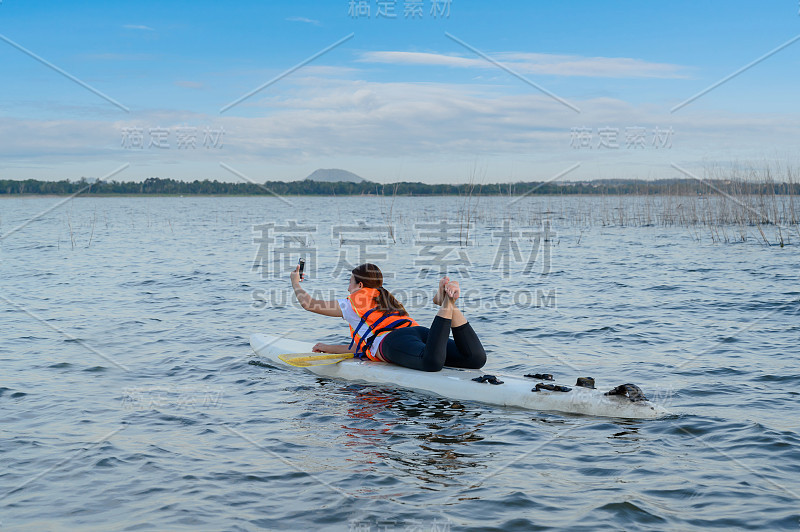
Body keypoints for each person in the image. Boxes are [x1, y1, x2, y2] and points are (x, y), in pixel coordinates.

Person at [289, 263, 486, 372]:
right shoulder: (387, 299)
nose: (347, 288)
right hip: (419, 333)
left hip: (393, 342)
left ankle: (447, 304)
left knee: (431, 363)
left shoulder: (353, 301)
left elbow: (308, 304)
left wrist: (296, 283)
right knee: (474, 359)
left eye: (350, 282)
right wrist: (329, 348)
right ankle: (447, 303)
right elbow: (365, 346)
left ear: (360, 286)